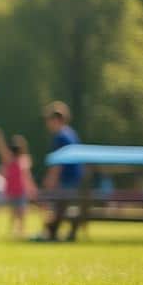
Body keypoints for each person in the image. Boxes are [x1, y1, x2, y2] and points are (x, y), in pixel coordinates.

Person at [38, 101, 84, 240]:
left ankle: (52, 232)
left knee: (59, 207)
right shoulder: (71, 134)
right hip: (75, 177)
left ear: (57, 120)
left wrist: (50, 179)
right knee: (62, 206)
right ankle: (62, 231)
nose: (47, 124)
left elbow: (59, 162)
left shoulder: (60, 137)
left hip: (66, 178)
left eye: (49, 120)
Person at [0, 127, 35, 238]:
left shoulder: (21, 159)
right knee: (15, 211)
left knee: (20, 210)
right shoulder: (12, 159)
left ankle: (20, 230)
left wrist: (31, 188)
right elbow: (1, 148)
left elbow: (27, 177)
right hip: (14, 189)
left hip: (19, 189)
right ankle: (14, 230)